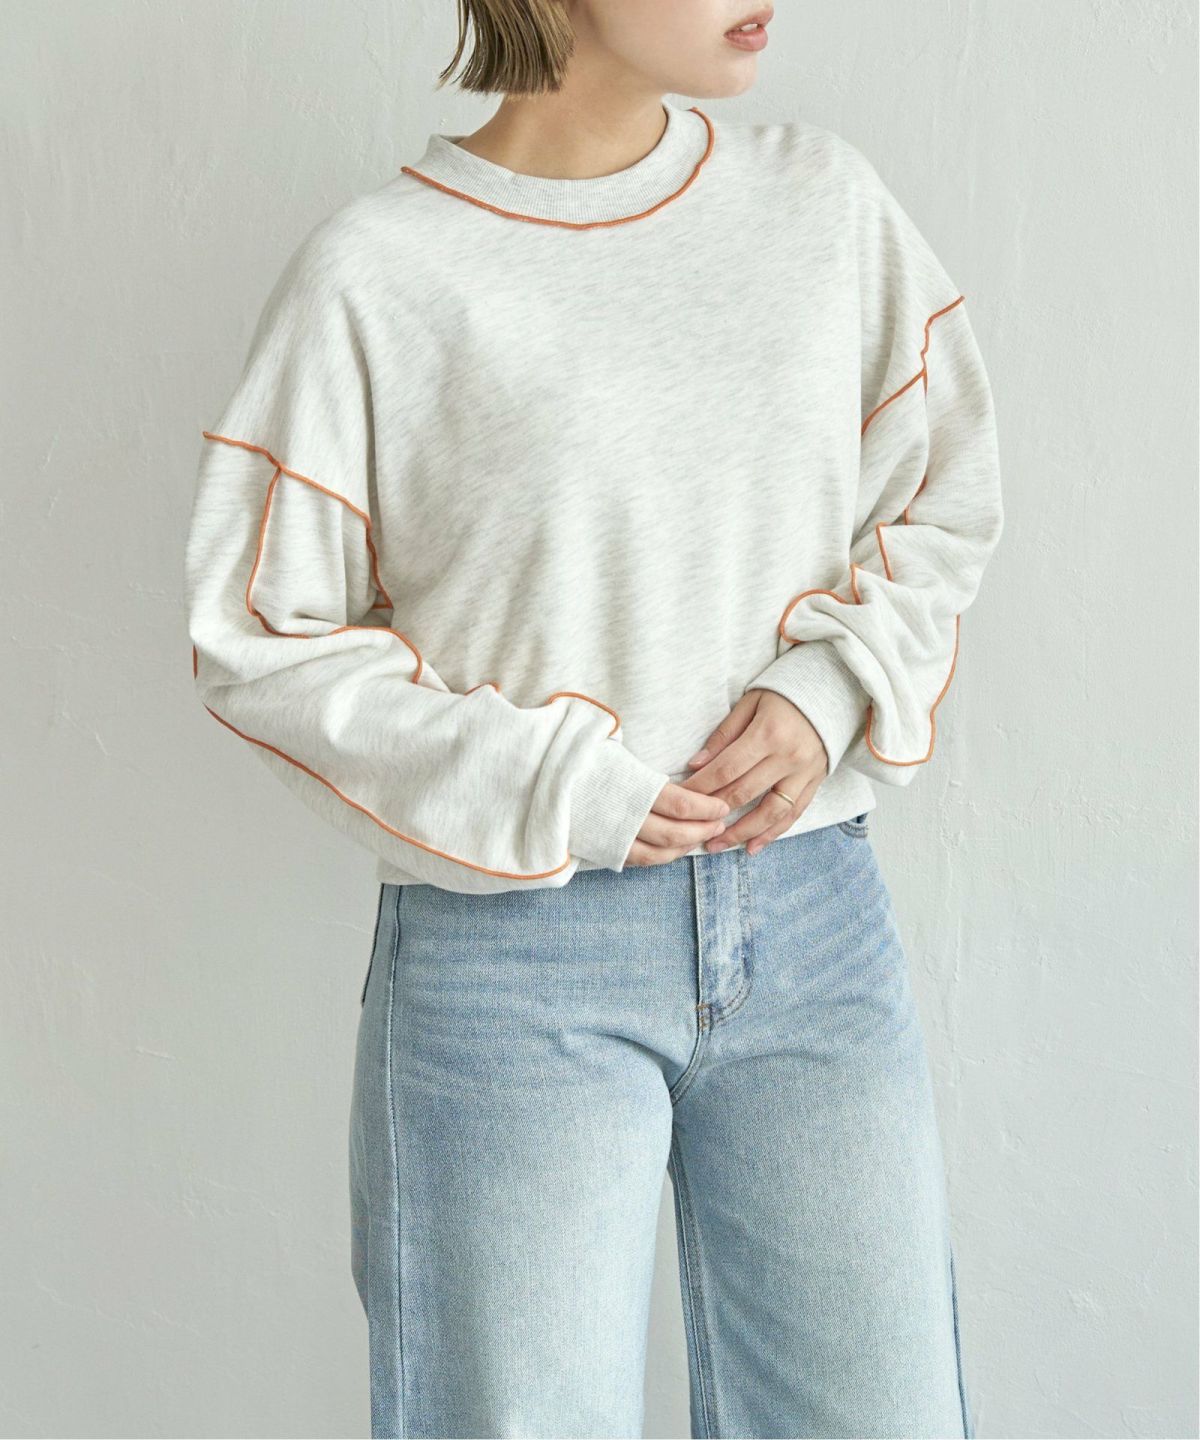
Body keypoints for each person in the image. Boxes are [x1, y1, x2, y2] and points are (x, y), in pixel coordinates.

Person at [183, 1, 1004, 1434]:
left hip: (811, 914)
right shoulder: (381, 275)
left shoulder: (825, 207)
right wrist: (559, 783)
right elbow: (260, 642)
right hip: (515, 957)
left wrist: (829, 688)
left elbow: (944, 488)